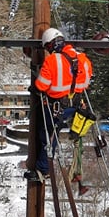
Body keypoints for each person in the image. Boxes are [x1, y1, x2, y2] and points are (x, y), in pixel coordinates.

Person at [24, 27, 93, 182]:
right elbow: (86, 82)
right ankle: (75, 170)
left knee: (47, 136)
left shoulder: (52, 61)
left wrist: (36, 85)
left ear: (50, 45)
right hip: (75, 106)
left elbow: (42, 85)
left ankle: (43, 169)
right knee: (62, 135)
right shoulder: (83, 58)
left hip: (56, 107)